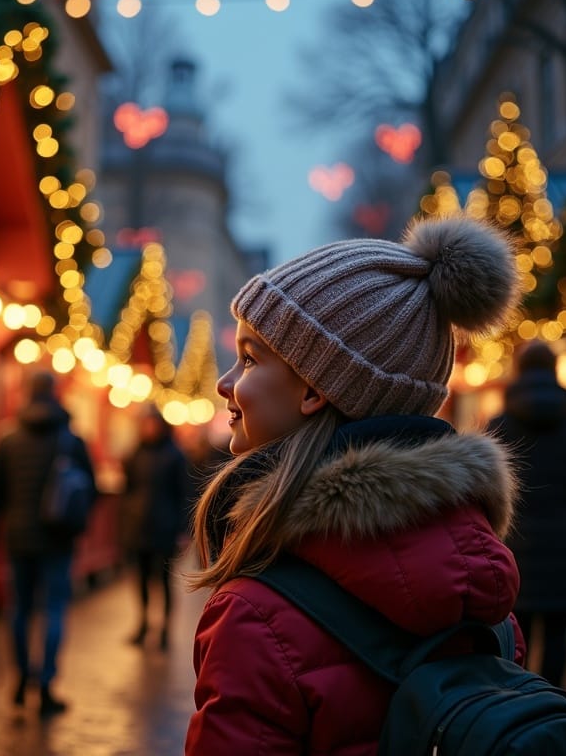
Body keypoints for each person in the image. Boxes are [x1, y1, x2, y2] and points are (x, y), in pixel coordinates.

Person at [184, 214, 526, 754]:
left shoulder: (256, 616)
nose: (226, 383)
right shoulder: (486, 599)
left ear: (316, 390)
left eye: (250, 359)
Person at [486, 340, 566, 687]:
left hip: (514, 547)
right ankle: (552, 704)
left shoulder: (500, 427)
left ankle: (517, 711)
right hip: (564, 544)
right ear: (555, 372)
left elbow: (484, 491)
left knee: (514, 637)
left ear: (519, 372)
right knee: (558, 636)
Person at [0, 370, 96, 717]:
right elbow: (88, 489)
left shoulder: (6, 438)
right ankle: (45, 684)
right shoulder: (71, 440)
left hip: (18, 538)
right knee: (54, 610)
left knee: (19, 609)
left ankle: (20, 678)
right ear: (55, 394)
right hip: (58, 539)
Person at [120, 404, 191, 650]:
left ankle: (165, 630)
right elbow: (127, 490)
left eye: (152, 424)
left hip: (165, 527)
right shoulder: (135, 454)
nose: (148, 428)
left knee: (163, 580)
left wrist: (184, 530)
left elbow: (184, 494)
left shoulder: (175, 455)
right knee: (139, 579)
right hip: (137, 527)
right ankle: (143, 623)